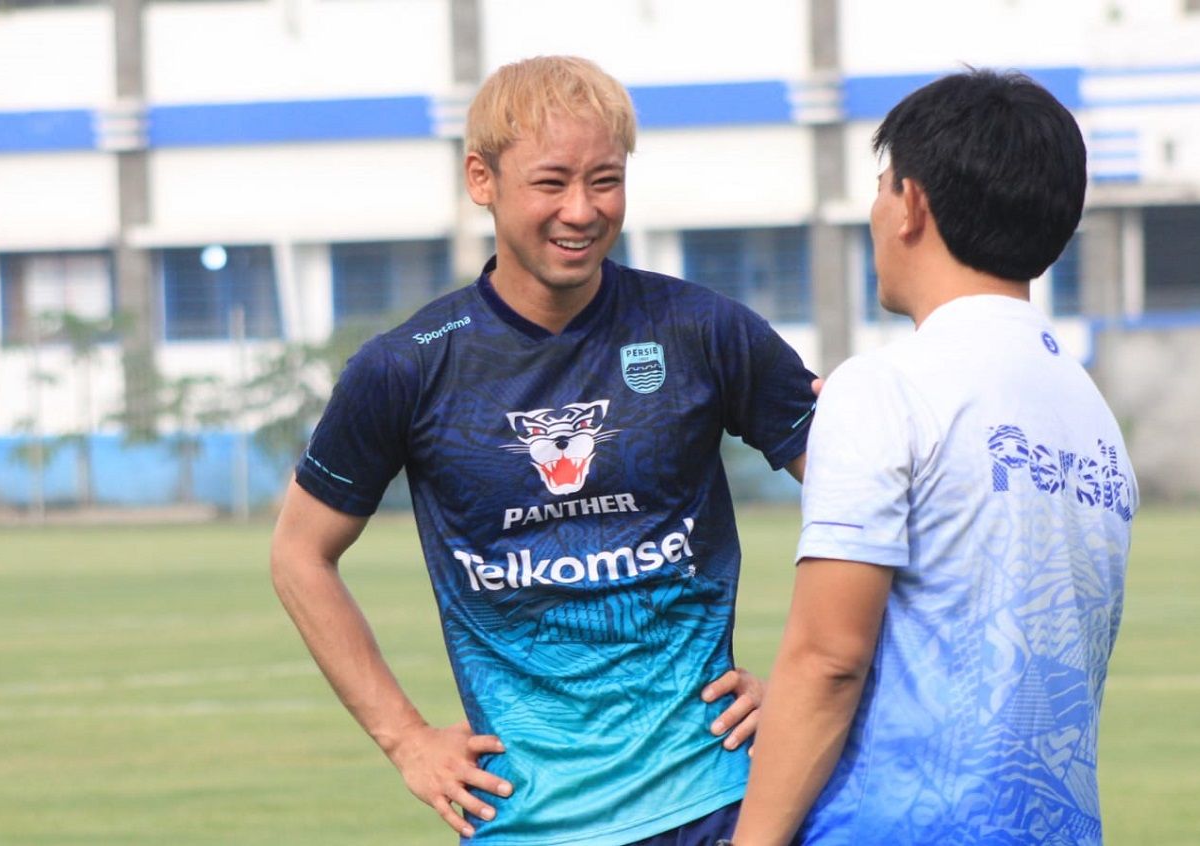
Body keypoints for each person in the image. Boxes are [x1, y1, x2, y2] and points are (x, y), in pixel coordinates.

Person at [270, 55, 816, 845]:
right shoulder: (409, 365)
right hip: (524, 818)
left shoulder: (702, 331)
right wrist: (406, 739)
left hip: (714, 802)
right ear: (481, 179)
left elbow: (859, 501)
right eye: (551, 182)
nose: (582, 210)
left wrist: (804, 682)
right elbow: (299, 555)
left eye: (605, 180)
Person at [727, 70, 1138, 845]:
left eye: (882, 188)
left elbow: (829, 659)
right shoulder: (1091, 413)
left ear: (911, 204)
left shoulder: (884, 387)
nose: (877, 213)